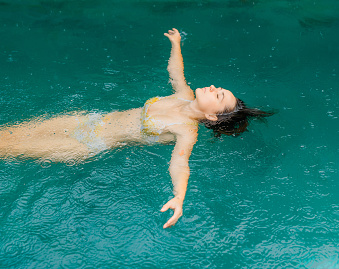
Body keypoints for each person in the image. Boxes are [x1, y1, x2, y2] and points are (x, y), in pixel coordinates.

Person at [0, 28, 272, 228]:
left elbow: (179, 164)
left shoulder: (187, 131)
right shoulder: (183, 95)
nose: (214, 88)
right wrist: (176, 44)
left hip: (85, 146)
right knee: (7, 133)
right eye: (219, 88)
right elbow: (175, 71)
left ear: (213, 116)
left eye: (219, 95)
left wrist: (179, 197)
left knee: (6, 148)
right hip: (88, 120)